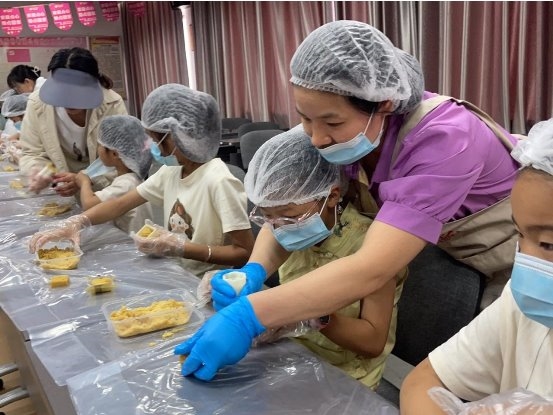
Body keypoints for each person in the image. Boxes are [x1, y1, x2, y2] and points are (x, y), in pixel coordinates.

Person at [175, 20, 521, 382]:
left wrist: (250, 315)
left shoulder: (446, 139)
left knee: (506, 374)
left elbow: (372, 267)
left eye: (331, 123)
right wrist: (255, 269)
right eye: (304, 118)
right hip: (450, 249)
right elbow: (285, 204)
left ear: (384, 103)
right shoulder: (344, 127)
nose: (316, 138)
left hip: (513, 258)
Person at [225, 126, 407, 389]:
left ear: (331, 196)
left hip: (347, 376)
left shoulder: (371, 246)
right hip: (294, 353)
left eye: (289, 216)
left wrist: (312, 316)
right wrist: (246, 278)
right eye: (268, 217)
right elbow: (275, 228)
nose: (279, 227)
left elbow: (372, 342)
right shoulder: (286, 228)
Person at [399, 119, 553, 413]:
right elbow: (425, 381)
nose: (527, 260)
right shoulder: (522, 302)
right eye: (519, 235)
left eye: (548, 244)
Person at [29, 83, 255, 278]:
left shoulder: (219, 181)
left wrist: (180, 247)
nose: (154, 147)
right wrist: (77, 222)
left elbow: (244, 252)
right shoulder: (171, 172)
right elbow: (119, 204)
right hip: (177, 273)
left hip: (208, 282)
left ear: (179, 135)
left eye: (158, 139)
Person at [18, 47, 127, 196]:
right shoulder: (37, 104)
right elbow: (32, 152)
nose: (70, 101)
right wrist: (38, 170)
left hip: (106, 191)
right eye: (63, 92)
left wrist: (86, 180)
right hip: (62, 190)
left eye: (77, 93)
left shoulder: (111, 103)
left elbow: (122, 157)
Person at [74, 115, 153, 234]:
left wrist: (84, 182)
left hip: (133, 243)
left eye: (100, 145)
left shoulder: (126, 184)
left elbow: (89, 205)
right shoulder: (131, 177)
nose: (98, 149)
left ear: (115, 154)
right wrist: (78, 179)